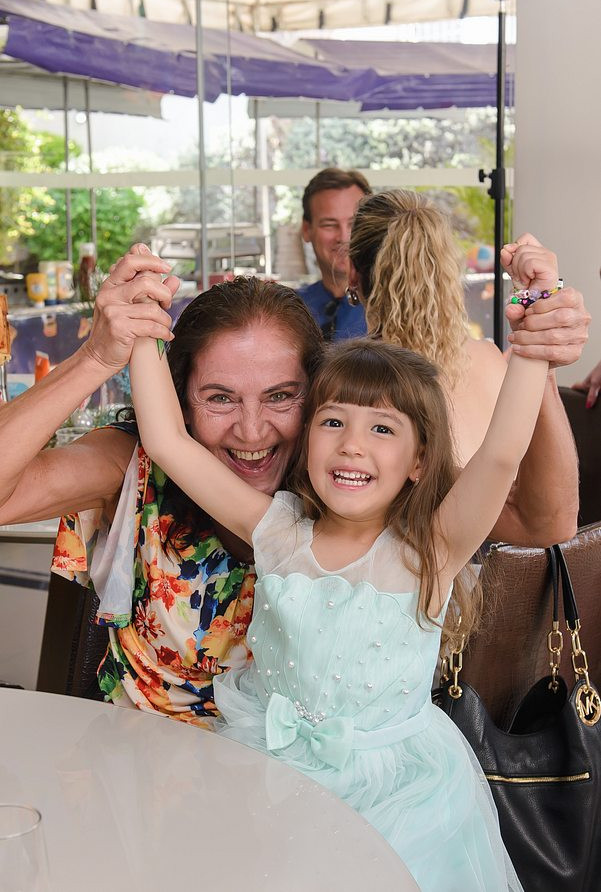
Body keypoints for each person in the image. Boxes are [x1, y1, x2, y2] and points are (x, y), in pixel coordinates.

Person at [0, 236, 587, 720]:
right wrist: (103, 355)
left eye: (282, 396)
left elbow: (533, 504)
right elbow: (165, 440)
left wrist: (538, 344)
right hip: (154, 772)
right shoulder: (174, 479)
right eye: (220, 398)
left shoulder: (395, 510)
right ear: (181, 399)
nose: (252, 430)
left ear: (315, 394)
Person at [128, 304, 547, 889]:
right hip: (269, 771)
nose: (352, 445)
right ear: (308, 441)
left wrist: (532, 346)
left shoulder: (431, 551)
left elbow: (501, 455)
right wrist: (141, 327)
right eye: (332, 422)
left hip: (398, 795)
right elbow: (168, 441)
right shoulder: (277, 532)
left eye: (382, 428)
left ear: (420, 460)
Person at [347, 189, 591, 545]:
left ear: (353, 273)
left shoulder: (355, 389)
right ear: (447, 272)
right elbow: (552, 519)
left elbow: (546, 523)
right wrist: (540, 330)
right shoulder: (491, 359)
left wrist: (541, 338)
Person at [298, 167, 371, 340]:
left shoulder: (396, 309)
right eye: (329, 225)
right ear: (306, 230)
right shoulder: (289, 310)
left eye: (354, 224)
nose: (344, 237)